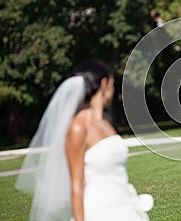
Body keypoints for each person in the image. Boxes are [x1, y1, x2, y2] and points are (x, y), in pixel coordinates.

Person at [15, 59, 153, 221]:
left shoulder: (106, 124)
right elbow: (76, 185)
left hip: (124, 208)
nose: (113, 89)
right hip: (98, 211)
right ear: (104, 84)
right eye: (113, 83)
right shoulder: (78, 127)